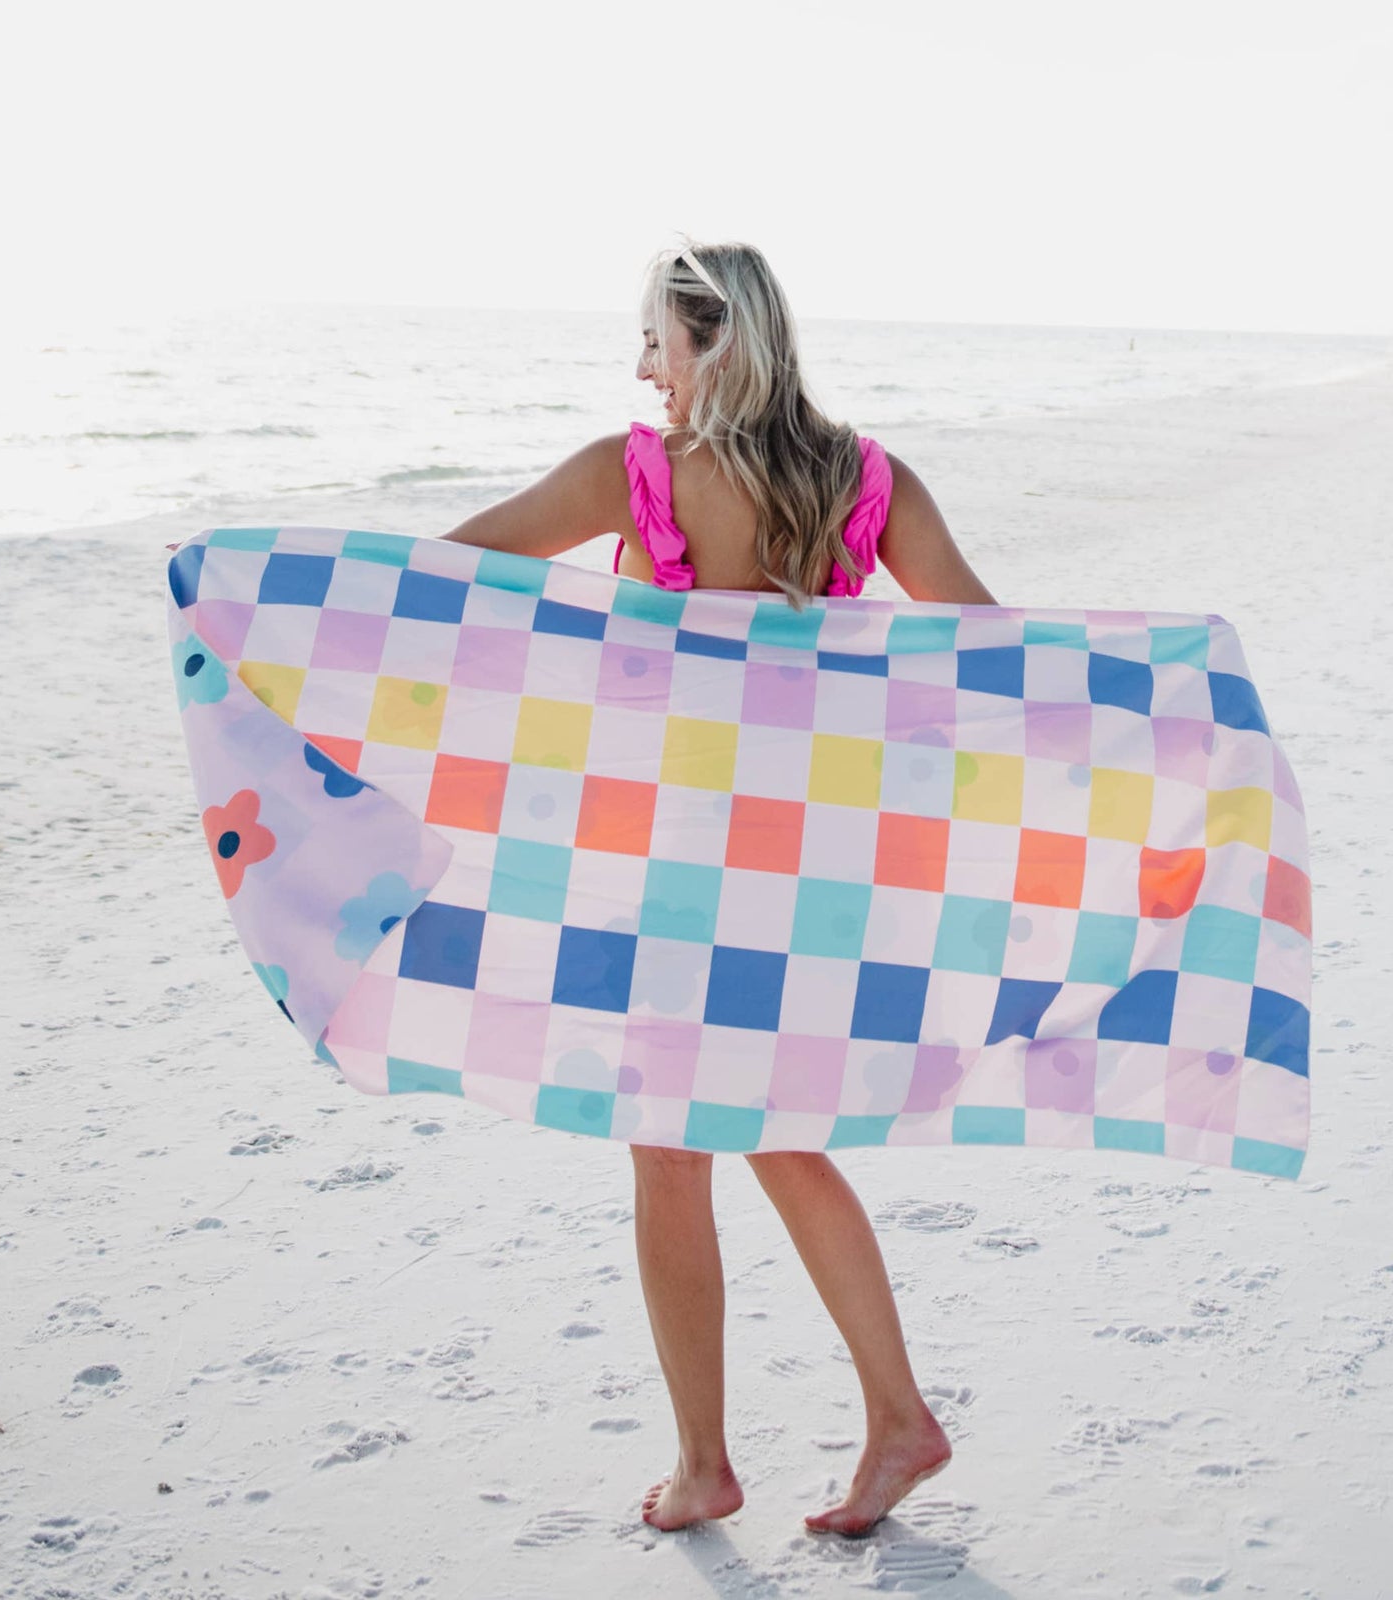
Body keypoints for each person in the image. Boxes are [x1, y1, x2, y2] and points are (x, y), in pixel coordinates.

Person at [443, 241, 997, 1535]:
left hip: (674, 869)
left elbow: (442, 580)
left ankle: (706, 1464)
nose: (643, 367)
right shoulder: (872, 481)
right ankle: (898, 1420)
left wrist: (256, 606)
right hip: (818, 880)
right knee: (782, 1136)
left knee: (671, 1150)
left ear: (715, 345)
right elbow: (991, 646)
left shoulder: (629, 476)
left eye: (656, 340)